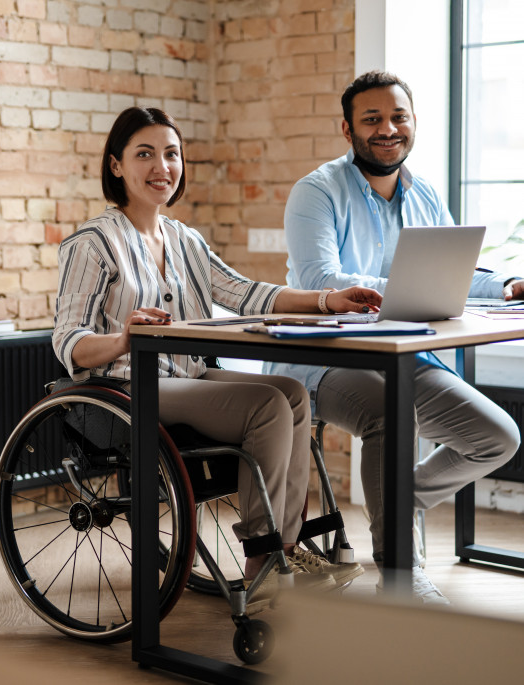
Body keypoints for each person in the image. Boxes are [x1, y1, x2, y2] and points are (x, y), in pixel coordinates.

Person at [52, 106, 382, 605]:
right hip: (124, 387)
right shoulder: (93, 243)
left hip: (188, 376)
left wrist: (325, 300)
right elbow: (67, 339)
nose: (161, 166)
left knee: (290, 393)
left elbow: (247, 293)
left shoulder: (185, 240)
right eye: (145, 154)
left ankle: (285, 548)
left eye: (171, 154)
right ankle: (261, 557)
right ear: (116, 165)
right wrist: (124, 338)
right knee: (264, 405)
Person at [265, 70, 523, 604]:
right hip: (320, 358)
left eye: (398, 116)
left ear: (412, 123)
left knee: (497, 437)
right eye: (372, 118)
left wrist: (507, 285)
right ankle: (402, 577)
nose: (388, 128)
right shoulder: (316, 191)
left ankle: (398, 504)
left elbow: (456, 271)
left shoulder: (425, 193)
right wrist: (407, 286)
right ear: (347, 128)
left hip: (405, 356)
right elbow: (319, 279)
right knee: (392, 412)